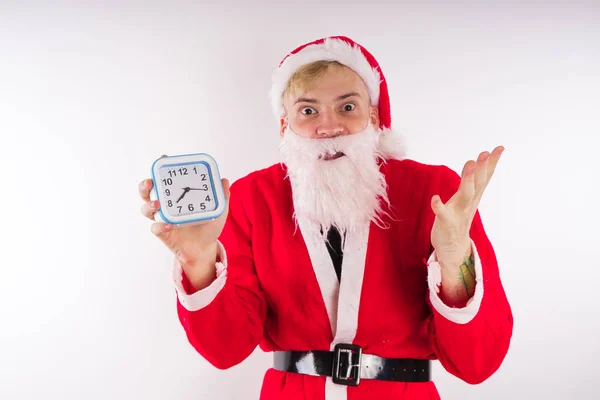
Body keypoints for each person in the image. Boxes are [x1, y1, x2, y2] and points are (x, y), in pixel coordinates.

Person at [138, 35, 513, 400]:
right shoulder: (252, 198)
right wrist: (198, 262)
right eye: (308, 110)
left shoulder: (435, 193)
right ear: (285, 125)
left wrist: (455, 262)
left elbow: (477, 363)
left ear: (374, 116)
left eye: (347, 107)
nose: (328, 126)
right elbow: (226, 350)